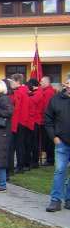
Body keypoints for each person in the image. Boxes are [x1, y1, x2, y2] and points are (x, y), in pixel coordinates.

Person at [44, 74, 70, 212]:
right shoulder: (55, 100)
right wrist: (54, 137)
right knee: (60, 170)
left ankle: (69, 198)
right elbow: (47, 120)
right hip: (62, 142)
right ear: (66, 85)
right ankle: (55, 200)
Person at [39, 75, 57, 166]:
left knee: (49, 141)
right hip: (46, 119)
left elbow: (46, 107)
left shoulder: (48, 92)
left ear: (47, 82)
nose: (40, 83)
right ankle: (49, 158)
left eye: (42, 82)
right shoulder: (46, 91)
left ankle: (50, 159)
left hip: (47, 120)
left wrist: (44, 119)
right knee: (47, 141)